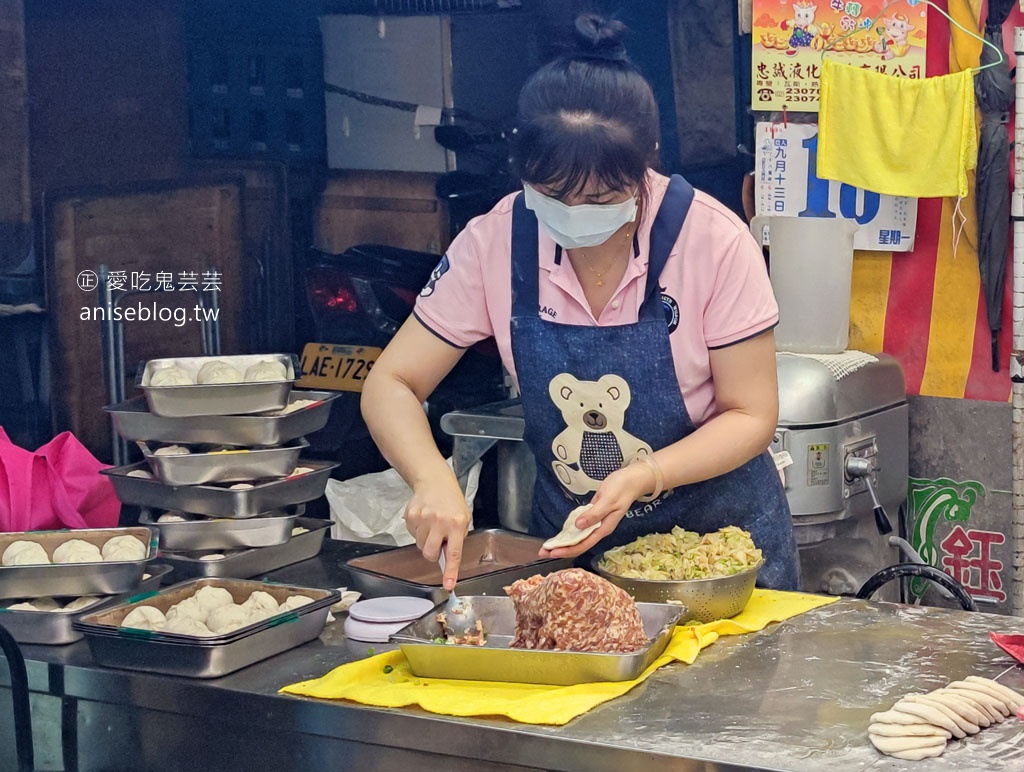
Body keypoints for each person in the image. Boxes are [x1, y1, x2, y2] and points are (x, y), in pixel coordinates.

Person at [361, 12, 800, 592]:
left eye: (602, 196)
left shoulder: (712, 241)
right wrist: (431, 477)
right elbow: (390, 382)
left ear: (649, 161)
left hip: (719, 561)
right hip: (576, 552)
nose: (576, 212)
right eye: (553, 194)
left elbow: (752, 413)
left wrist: (646, 474)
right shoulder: (495, 242)